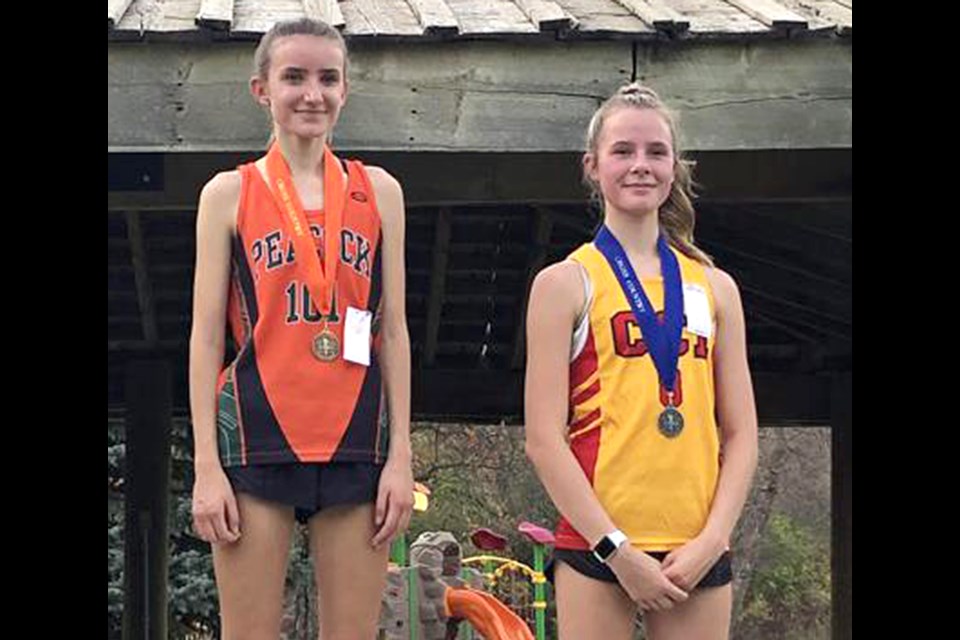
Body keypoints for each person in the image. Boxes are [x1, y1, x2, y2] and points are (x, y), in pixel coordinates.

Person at [188, 17, 413, 639]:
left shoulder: (381, 191)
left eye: (327, 78)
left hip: (356, 440)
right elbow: (206, 338)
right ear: (262, 89)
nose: (311, 94)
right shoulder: (228, 194)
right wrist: (207, 467)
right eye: (294, 77)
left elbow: (393, 331)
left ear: (346, 90)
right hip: (257, 437)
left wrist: (401, 458)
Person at [524, 83, 758, 639]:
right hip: (598, 545)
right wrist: (617, 550)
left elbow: (743, 432)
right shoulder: (564, 283)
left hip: (695, 547)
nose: (640, 166)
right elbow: (542, 438)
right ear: (592, 166)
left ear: (675, 166)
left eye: (656, 152)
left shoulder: (715, 287)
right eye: (623, 151)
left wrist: (713, 539)